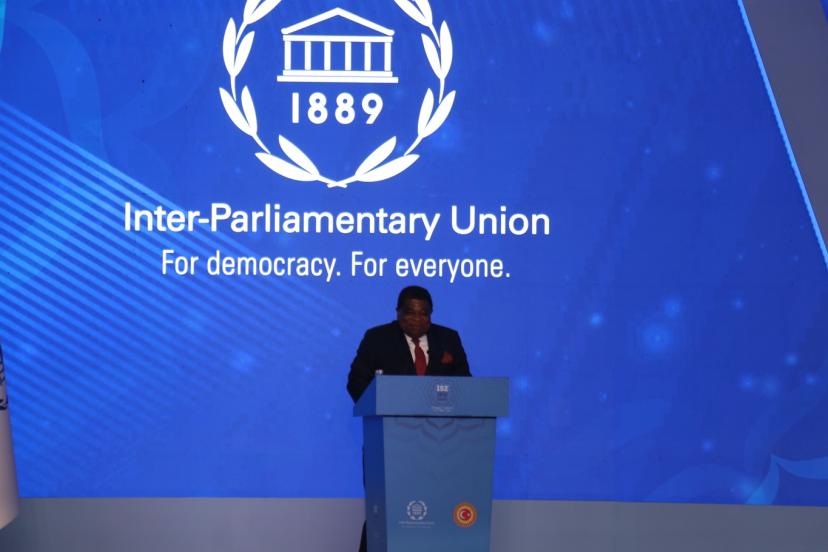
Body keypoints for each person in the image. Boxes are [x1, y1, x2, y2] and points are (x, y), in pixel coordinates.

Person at [347, 285, 472, 551]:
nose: (417, 319)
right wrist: (385, 407)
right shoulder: (377, 338)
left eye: (424, 313)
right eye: (410, 312)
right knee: (384, 511)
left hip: (440, 445)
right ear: (398, 312)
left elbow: (466, 387)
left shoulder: (449, 339)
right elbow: (356, 384)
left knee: (435, 511)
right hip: (389, 444)